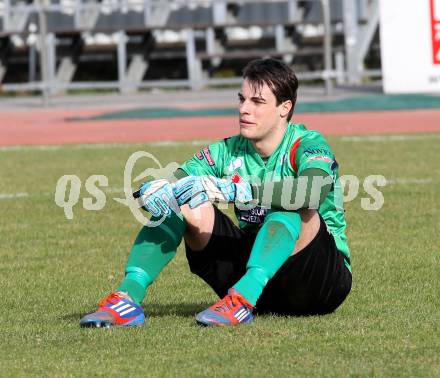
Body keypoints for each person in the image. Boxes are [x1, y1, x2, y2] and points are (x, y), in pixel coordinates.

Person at [80, 58, 352, 328]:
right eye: (241, 99)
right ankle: (127, 300)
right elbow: (178, 181)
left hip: (319, 284)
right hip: (255, 281)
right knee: (181, 199)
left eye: (257, 102)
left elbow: (312, 191)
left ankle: (244, 298)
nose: (244, 109)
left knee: (291, 204)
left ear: (285, 108)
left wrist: (238, 190)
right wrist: (157, 190)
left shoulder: (308, 143)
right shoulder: (226, 150)